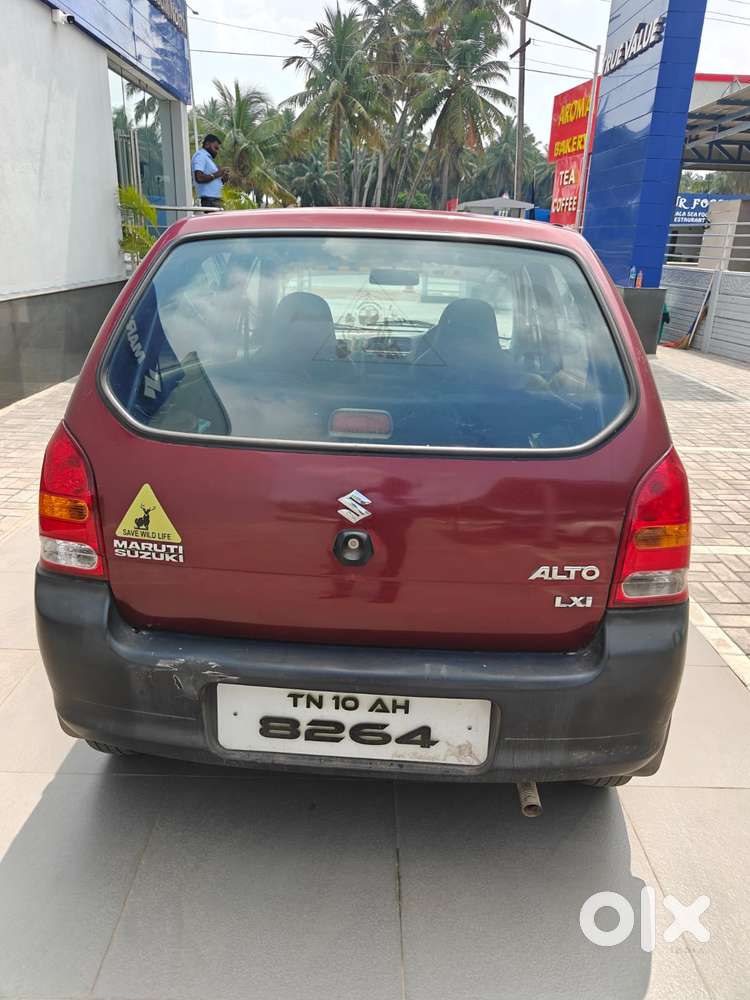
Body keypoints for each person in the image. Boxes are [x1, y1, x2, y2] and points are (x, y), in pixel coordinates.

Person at [191, 134, 228, 208]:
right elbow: (199, 178)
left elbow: (212, 180)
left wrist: (223, 179)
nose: (217, 151)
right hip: (209, 200)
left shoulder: (207, 158)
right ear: (207, 144)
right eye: (215, 148)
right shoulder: (201, 156)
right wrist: (217, 174)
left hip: (213, 200)